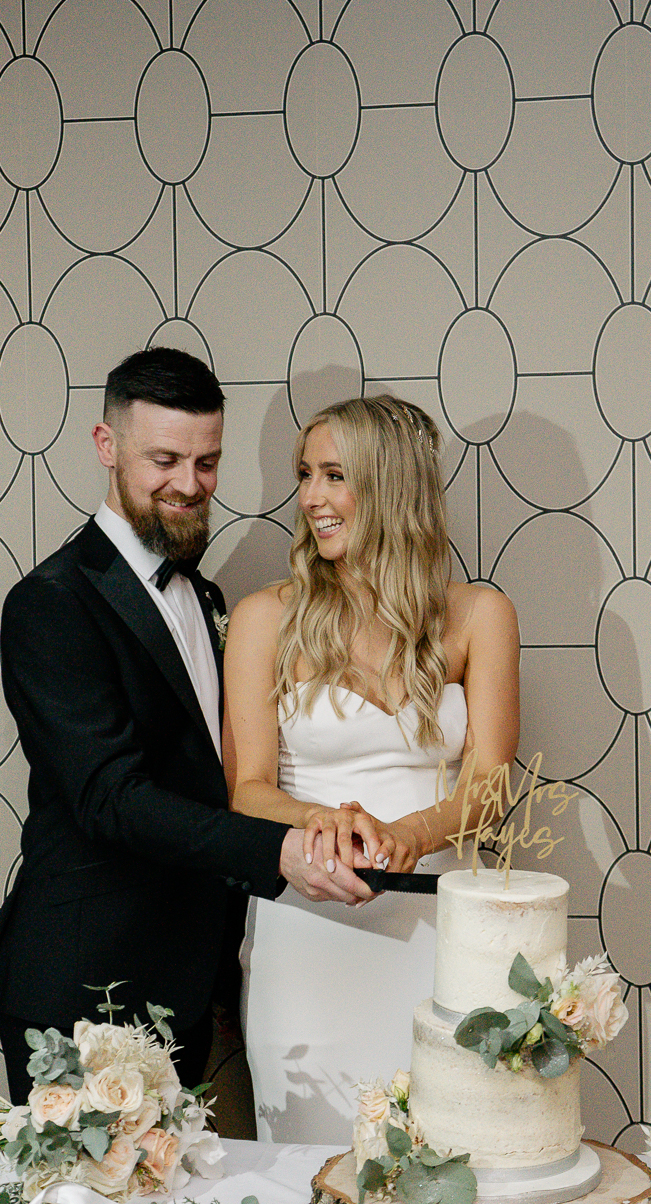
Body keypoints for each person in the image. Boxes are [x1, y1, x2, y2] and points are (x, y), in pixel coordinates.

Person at [0, 347, 375, 1104]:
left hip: (189, 978)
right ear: (106, 446)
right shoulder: (50, 603)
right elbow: (110, 798)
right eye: (164, 459)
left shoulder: (211, 597)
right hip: (84, 984)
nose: (189, 484)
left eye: (208, 462)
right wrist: (277, 849)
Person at [222, 394, 520, 1144]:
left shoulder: (479, 615)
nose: (311, 498)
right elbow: (246, 789)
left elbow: (491, 784)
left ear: (389, 486)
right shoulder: (265, 619)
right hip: (308, 931)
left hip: (437, 932)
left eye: (333, 475)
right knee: (311, 1173)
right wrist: (323, 821)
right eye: (304, 475)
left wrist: (413, 832)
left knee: (453, 1168)